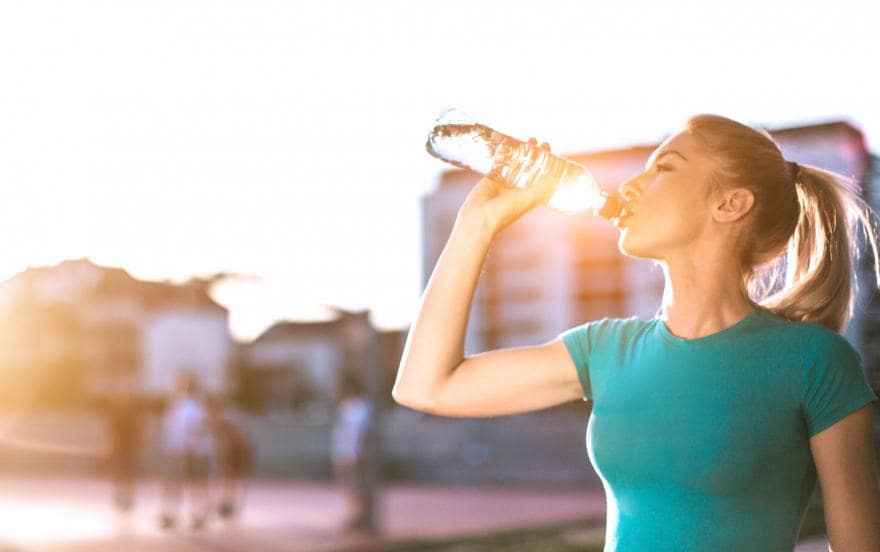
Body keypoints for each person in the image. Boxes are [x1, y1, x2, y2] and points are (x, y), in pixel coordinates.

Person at [392, 115, 880, 551]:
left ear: (731, 204)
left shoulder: (814, 361)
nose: (628, 186)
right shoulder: (604, 349)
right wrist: (477, 224)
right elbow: (426, 386)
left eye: (663, 168)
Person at [158, 371, 213, 530]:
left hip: (188, 452)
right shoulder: (184, 405)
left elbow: (196, 429)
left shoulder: (191, 406)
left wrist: (190, 447)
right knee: (184, 484)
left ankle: (194, 514)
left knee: (188, 484)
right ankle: (179, 514)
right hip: (182, 450)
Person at [331, 370, 378, 535]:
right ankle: (355, 515)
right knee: (349, 487)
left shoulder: (361, 406)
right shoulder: (344, 406)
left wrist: (357, 454)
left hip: (354, 455)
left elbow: (361, 433)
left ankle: (363, 517)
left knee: (358, 487)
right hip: (343, 453)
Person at [205, 394, 254, 521]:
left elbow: (227, 442)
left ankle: (230, 505)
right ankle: (230, 504)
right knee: (231, 478)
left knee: (230, 477)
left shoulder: (223, 420)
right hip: (241, 450)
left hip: (239, 451)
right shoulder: (226, 418)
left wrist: (225, 460)